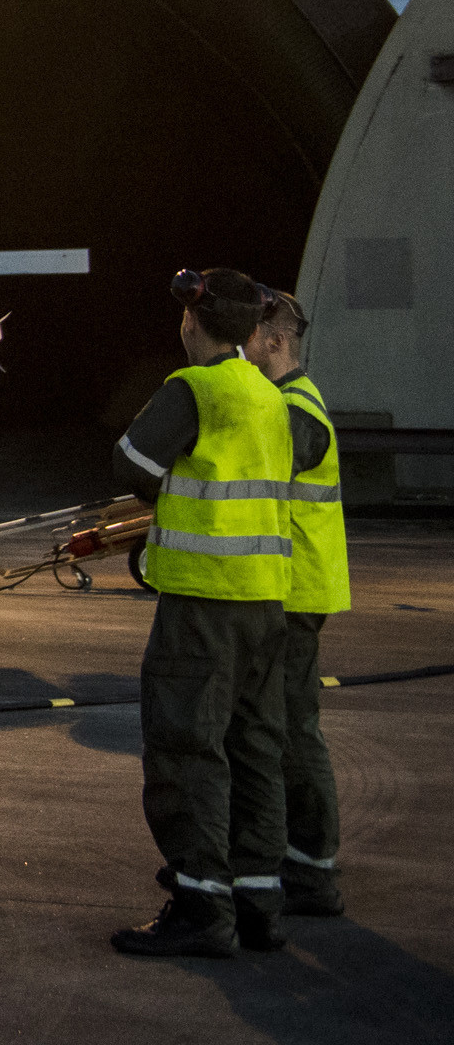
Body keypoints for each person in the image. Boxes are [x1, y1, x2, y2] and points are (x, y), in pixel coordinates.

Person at [107, 267, 297, 958]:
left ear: (192, 324)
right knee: (254, 754)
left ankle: (200, 909)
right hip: (266, 603)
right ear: (254, 331)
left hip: (203, 603)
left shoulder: (196, 388)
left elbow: (131, 466)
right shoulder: (270, 396)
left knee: (188, 753)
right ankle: (257, 906)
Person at [245, 289, 347, 918]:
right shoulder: (288, 402)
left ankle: (311, 866)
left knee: (290, 729)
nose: (239, 346)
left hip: (296, 591)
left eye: (249, 336)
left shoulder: (296, 410)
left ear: (275, 341)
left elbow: (286, 458)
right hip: (288, 587)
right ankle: (295, 857)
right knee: (279, 727)